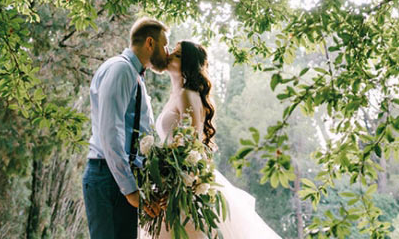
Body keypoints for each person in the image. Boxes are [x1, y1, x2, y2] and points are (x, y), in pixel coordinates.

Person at [144, 41, 282, 239]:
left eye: (176, 54)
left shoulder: (186, 95)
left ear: (186, 63)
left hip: (183, 185)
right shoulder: (176, 95)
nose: (169, 55)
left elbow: (192, 147)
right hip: (172, 183)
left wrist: (176, 187)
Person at [85, 17, 171, 239]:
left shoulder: (134, 76)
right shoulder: (121, 70)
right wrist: (130, 190)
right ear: (150, 43)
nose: (167, 52)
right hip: (108, 178)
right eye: (165, 45)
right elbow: (110, 133)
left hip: (119, 178)